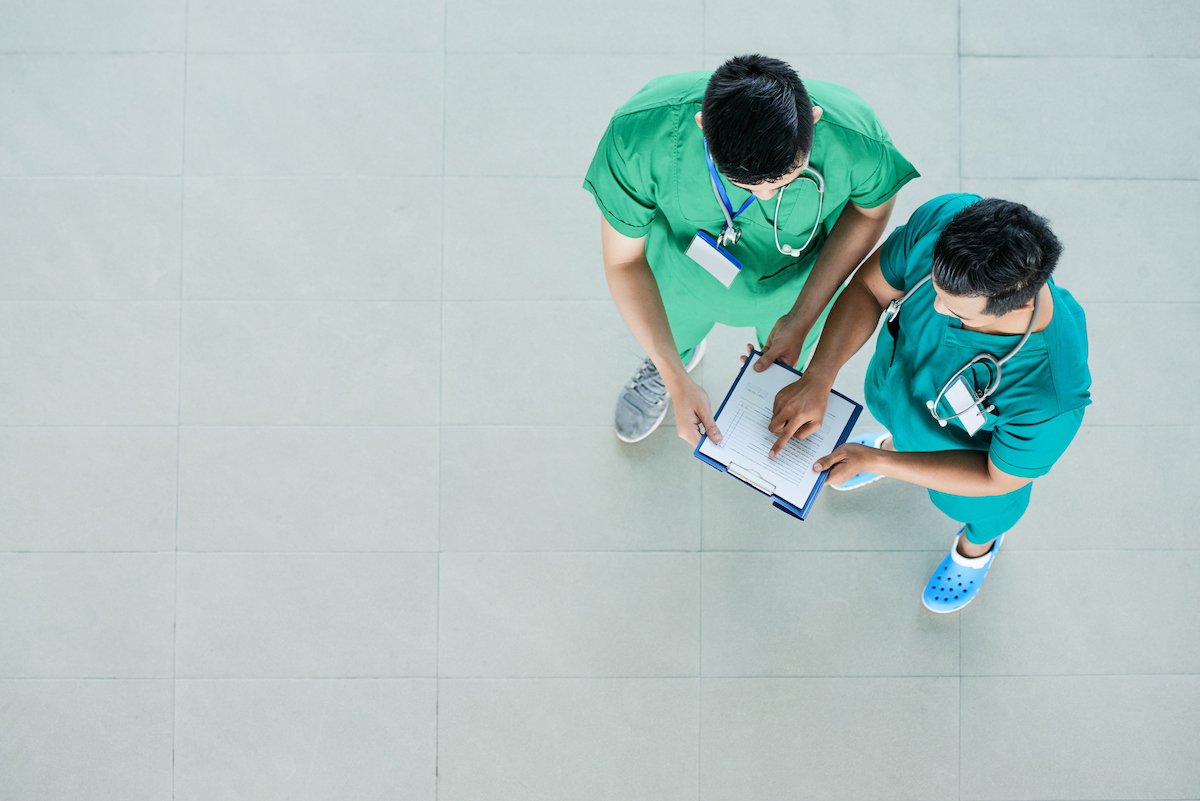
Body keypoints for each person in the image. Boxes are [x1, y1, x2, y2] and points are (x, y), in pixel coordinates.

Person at [763, 194, 1091, 612]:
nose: (935, 308)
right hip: (901, 398)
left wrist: (876, 462)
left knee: (984, 515)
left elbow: (997, 480)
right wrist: (819, 375)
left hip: (971, 470)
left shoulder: (1050, 394)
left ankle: (975, 552)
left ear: (1022, 302)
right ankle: (894, 444)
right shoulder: (944, 220)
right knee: (901, 430)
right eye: (935, 290)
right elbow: (870, 287)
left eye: (956, 310)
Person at [584, 54, 917, 445]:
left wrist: (802, 317)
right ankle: (669, 363)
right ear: (703, 128)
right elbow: (624, 262)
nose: (763, 194)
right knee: (671, 336)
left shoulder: (857, 140)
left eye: (782, 182)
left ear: (813, 120)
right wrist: (676, 378)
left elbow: (868, 213)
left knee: (781, 359)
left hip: (799, 288)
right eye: (744, 184)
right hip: (682, 277)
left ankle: (770, 379)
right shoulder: (640, 135)